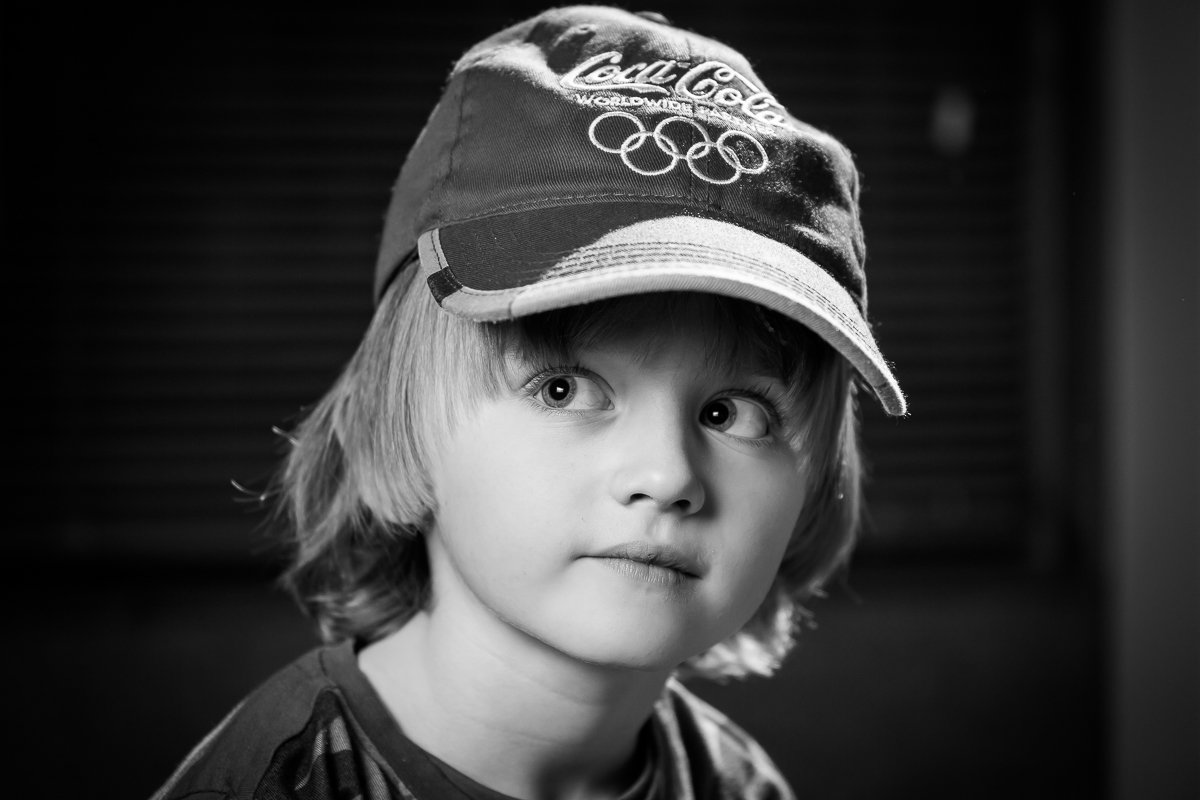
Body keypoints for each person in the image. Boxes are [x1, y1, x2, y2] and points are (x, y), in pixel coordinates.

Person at [152, 6, 906, 800]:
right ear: (401, 423)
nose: (666, 476)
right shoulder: (273, 784)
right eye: (564, 388)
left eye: (732, 413)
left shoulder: (738, 786)